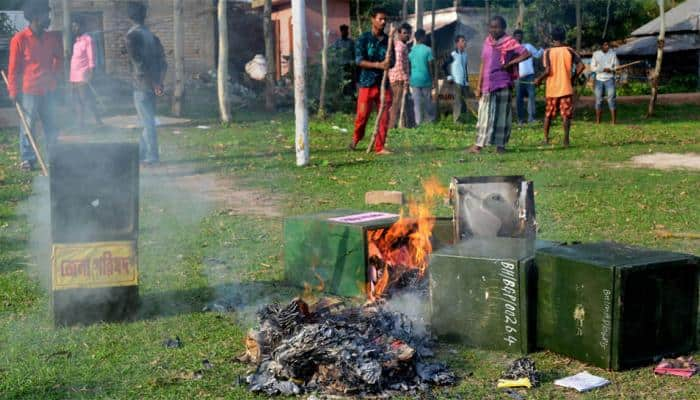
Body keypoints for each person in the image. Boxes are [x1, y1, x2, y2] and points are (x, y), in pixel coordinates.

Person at [7, 0, 62, 171]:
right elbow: (13, 69)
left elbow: (59, 58)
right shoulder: (19, 39)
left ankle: (54, 157)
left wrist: (54, 75)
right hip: (29, 90)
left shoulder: (51, 37)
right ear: (36, 17)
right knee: (28, 125)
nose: (49, 17)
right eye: (47, 14)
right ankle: (28, 159)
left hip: (49, 90)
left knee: (51, 125)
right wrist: (13, 91)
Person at [468, 16, 530, 154]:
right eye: (491, 27)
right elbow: (483, 63)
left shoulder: (510, 42)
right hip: (487, 84)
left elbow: (526, 54)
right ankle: (478, 145)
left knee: (502, 116)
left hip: (503, 82)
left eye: (496, 27)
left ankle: (500, 146)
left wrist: (511, 63)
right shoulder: (488, 41)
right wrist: (478, 85)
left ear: (503, 28)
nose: (493, 30)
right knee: (484, 115)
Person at [126, 1, 167, 166]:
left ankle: (152, 156)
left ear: (130, 17)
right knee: (147, 120)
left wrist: (155, 83)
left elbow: (140, 66)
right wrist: (159, 82)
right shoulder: (152, 36)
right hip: (152, 83)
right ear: (145, 16)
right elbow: (163, 62)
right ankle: (142, 153)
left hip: (142, 85)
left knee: (147, 122)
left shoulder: (131, 37)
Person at [349, 8, 394, 155]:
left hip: (383, 84)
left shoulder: (388, 40)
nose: (383, 22)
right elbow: (358, 60)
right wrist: (377, 65)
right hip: (367, 83)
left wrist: (389, 63)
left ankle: (379, 146)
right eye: (380, 19)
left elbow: (392, 61)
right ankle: (356, 137)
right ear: (372, 19)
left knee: (384, 116)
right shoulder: (363, 39)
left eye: (385, 19)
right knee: (362, 116)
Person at [534, 27, 585, 147]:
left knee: (548, 115)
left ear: (552, 38)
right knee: (565, 115)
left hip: (552, 89)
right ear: (564, 37)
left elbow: (548, 70)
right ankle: (566, 141)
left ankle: (546, 139)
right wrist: (572, 78)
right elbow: (581, 66)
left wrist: (539, 79)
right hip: (566, 88)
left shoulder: (548, 52)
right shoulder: (569, 50)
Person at [70, 15, 103, 129]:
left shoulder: (88, 40)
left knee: (87, 100)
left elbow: (92, 59)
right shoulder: (76, 42)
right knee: (77, 101)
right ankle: (80, 124)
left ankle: (99, 122)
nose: (74, 28)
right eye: (73, 26)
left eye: (76, 26)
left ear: (82, 26)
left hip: (83, 76)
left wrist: (90, 74)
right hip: (74, 77)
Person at [513, 29, 543, 124]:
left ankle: (531, 118)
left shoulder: (528, 46)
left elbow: (537, 55)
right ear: (514, 37)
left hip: (530, 76)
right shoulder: (512, 49)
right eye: (517, 36)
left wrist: (542, 49)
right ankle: (520, 119)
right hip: (518, 77)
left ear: (522, 37)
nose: (518, 37)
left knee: (531, 96)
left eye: (520, 36)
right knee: (519, 98)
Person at [388, 23, 411, 129]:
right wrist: (406, 80)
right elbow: (399, 65)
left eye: (409, 33)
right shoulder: (399, 47)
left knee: (401, 103)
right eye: (405, 33)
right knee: (396, 105)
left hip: (399, 79)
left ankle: (403, 125)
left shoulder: (403, 45)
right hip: (398, 79)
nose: (407, 35)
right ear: (399, 34)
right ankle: (391, 126)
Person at [408, 29, 434, 125]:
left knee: (417, 103)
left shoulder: (411, 50)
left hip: (414, 80)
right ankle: (430, 120)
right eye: (425, 36)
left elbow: (409, 64)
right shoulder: (428, 49)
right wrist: (432, 79)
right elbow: (430, 65)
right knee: (428, 101)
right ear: (423, 37)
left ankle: (418, 122)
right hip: (426, 79)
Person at [443, 35, 470, 123]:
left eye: (464, 40)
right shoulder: (453, 55)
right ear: (457, 43)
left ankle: (464, 119)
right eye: (462, 41)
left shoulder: (465, 55)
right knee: (457, 102)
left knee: (465, 101)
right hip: (456, 81)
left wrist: (467, 81)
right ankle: (457, 120)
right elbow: (444, 66)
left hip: (464, 82)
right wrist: (449, 76)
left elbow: (465, 68)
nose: (464, 42)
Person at [591, 41, 619, 124]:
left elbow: (617, 66)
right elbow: (592, 67)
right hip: (599, 79)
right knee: (598, 100)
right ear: (601, 46)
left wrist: (612, 69)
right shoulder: (596, 54)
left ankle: (614, 122)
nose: (607, 46)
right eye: (605, 45)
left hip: (610, 79)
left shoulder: (613, 54)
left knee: (611, 100)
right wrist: (602, 69)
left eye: (608, 45)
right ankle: (598, 121)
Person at [331, 24, 355, 97]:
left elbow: (355, 53)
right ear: (341, 32)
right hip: (340, 66)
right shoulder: (337, 43)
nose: (345, 32)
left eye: (346, 31)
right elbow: (334, 53)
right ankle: (342, 97)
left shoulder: (351, 42)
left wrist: (353, 62)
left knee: (350, 82)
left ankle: (350, 96)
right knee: (341, 82)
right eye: (344, 31)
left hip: (349, 66)